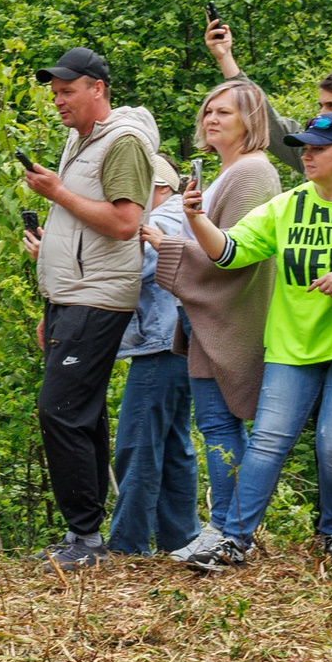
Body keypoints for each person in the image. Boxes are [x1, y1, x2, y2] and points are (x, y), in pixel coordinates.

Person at [176, 112, 332, 570]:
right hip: (291, 345)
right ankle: (234, 540)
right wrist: (195, 218)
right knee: (268, 441)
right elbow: (229, 252)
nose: (306, 156)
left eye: (317, 149)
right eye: (304, 148)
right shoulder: (287, 205)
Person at [19, 47, 160, 572]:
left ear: (98, 88)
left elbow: (125, 223)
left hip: (98, 296)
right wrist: (51, 304)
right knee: (83, 411)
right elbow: (80, 227)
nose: (59, 101)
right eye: (55, 93)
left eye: (68, 91)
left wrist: (56, 192)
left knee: (58, 409)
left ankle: (84, 538)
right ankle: (86, 536)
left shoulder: (122, 142)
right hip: (70, 296)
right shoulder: (79, 141)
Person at [151, 78, 282, 555]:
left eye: (224, 112)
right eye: (208, 110)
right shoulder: (224, 170)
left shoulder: (253, 173)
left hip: (232, 317)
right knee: (214, 424)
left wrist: (166, 247)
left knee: (224, 425)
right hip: (205, 315)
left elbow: (236, 255)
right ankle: (223, 528)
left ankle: (230, 530)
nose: (211, 119)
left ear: (251, 120)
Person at [206, 17, 332, 206]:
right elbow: (265, 117)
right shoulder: (309, 147)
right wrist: (225, 57)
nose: (322, 114)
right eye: (321, 106)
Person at [106, 156, 199, 556]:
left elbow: (129, 267)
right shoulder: (179, 215)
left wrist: (56, 258)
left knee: (138, 441)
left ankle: (128, 545)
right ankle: (181, 538)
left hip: (161, 345)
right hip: (176, 342)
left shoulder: (163, 219)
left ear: (158, 188)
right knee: (174, 444)